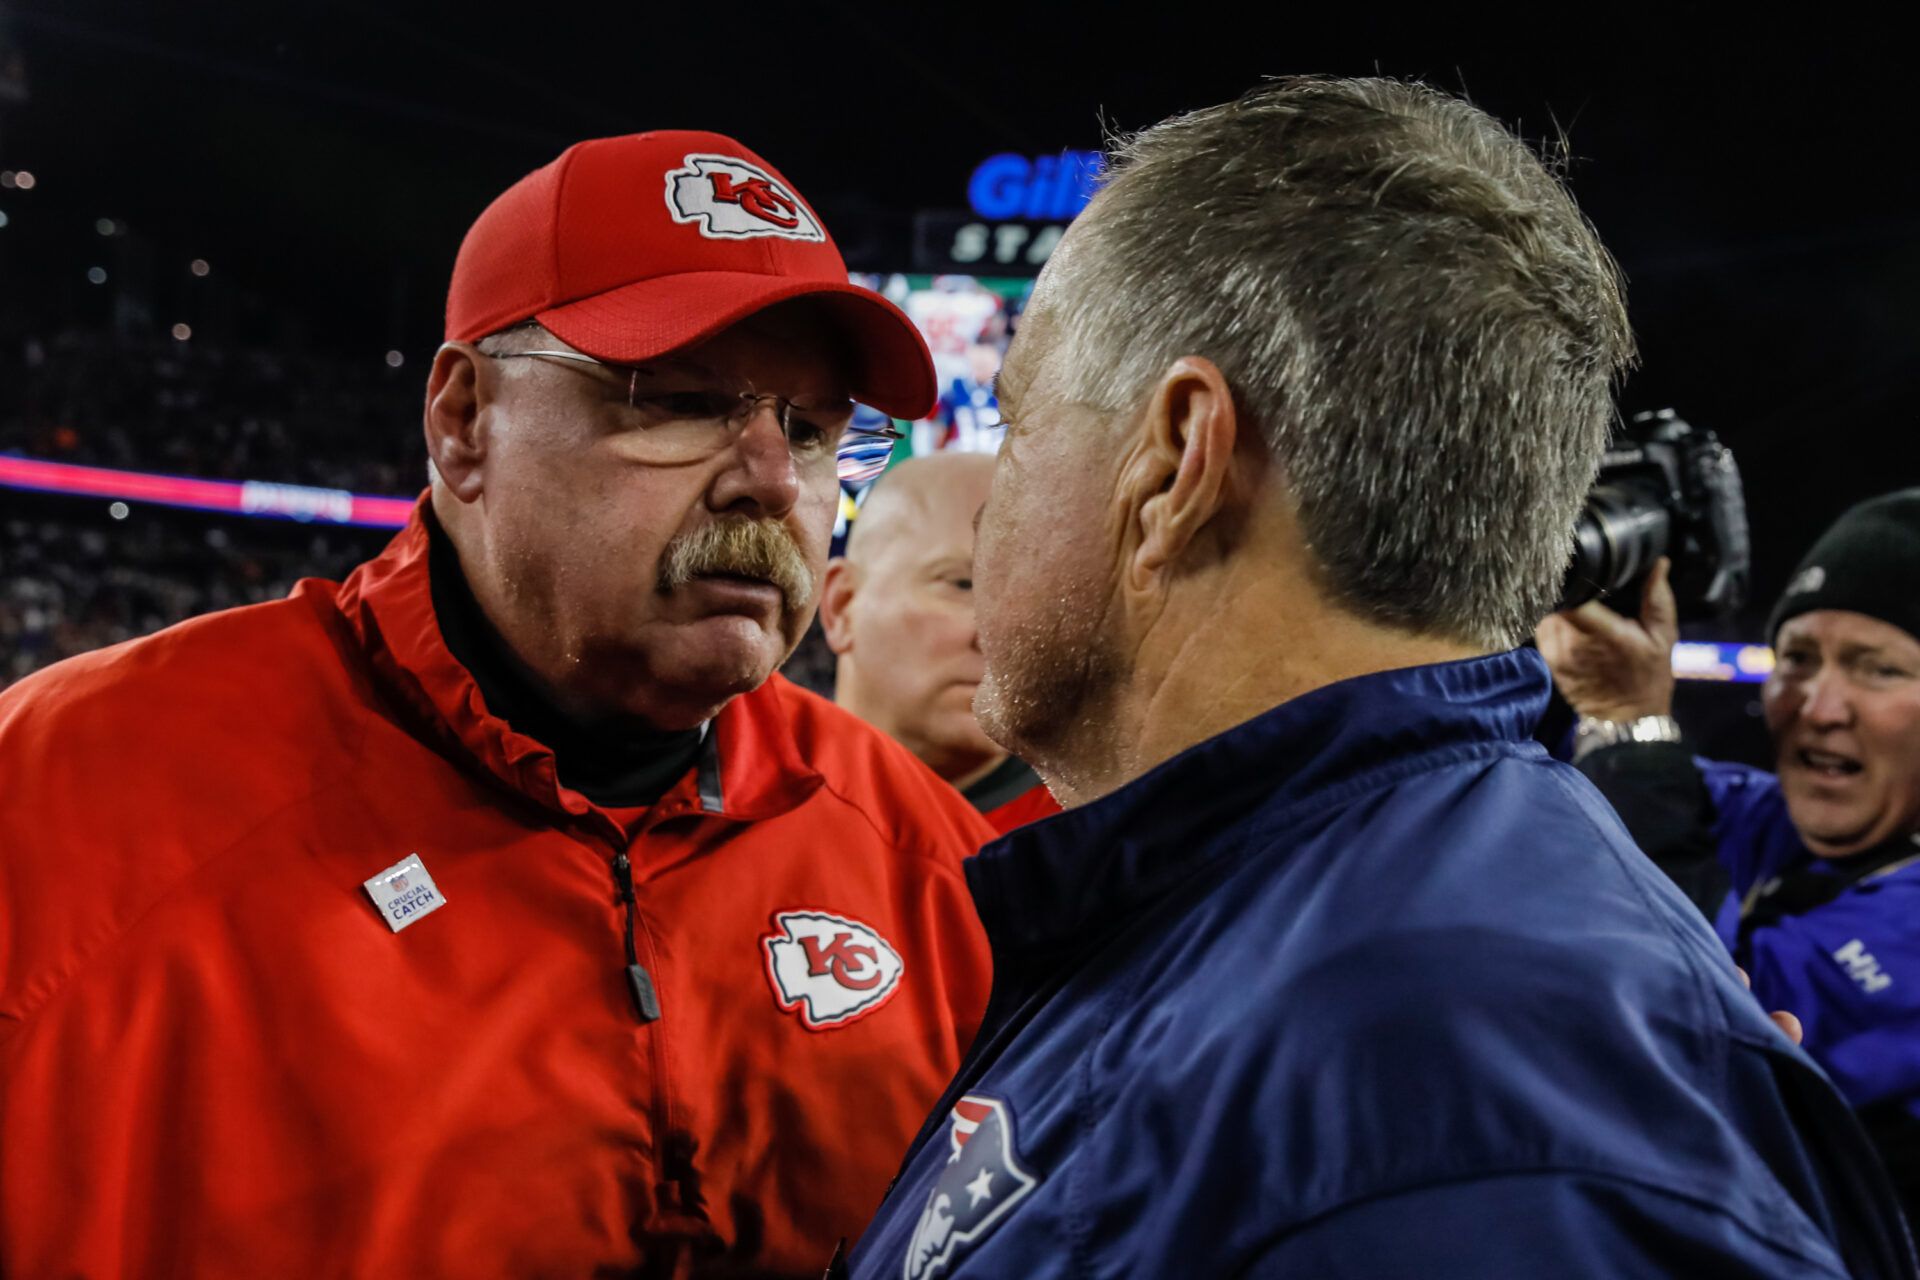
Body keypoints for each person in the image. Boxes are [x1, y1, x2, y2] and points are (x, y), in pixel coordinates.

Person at [846, 78, 1917, 1280]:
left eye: (1020, 426)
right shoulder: (1306, 927)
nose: (992, 522)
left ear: (1177, 463)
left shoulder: (1458, 1096)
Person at [0, 130, 996, 1279]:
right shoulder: (67, 802)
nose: (774, 479)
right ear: (463, 420)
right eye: (679, 399)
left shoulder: (928, 868)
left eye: (814, 430)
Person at [1538, 489, 1920, 1226]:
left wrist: (1628, 724)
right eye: (1799, 658)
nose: (1819, 704)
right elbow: (1546, 795)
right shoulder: (1752, 808)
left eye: (1877, 670)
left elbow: (1699, 1030)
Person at [818, 454, 1059, 832]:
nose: (1006, 638)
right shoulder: (726, 794)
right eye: (962, 584)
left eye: (1035, 599)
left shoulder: (1109, 845)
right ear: (842, 605)